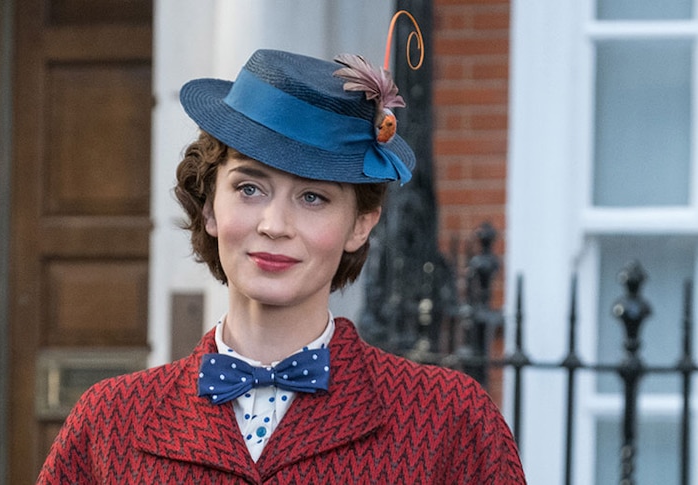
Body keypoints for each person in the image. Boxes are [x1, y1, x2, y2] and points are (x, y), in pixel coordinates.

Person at [37, 48, 526, 484]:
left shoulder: (447, 420)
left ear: (360, 224)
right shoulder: (109, 423)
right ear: (210, 207)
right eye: (249, 188)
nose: (275, 224)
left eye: (313, 197)